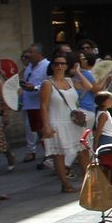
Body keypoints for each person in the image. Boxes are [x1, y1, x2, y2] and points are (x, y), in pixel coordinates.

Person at [41, 54, 89, 192]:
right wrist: (46, 126)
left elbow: (88, 86)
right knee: (59, 154)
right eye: (56, 64)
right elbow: (43, 106)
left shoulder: (70, 81)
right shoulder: (47, 83)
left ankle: (88, 181)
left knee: (83, 151)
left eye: (63, 64)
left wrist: (78, 71)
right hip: (56, 120)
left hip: (74, 121)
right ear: (52, 66)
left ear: (67, 66)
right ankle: (65, 183)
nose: (59, 66)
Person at [18, 43, 49, 167]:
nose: (28, 55)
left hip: (40, 104)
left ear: (39, 54)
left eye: (31, 52)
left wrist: (35, 88)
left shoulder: (47, 66)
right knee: (38, 131)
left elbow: (50, 83)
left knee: (43, 131)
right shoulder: (29, 67)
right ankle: (47, 154)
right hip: (30, 104)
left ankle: (49, 156)